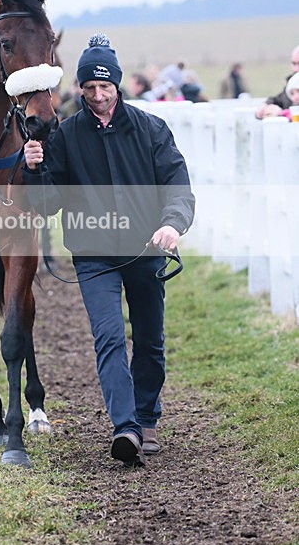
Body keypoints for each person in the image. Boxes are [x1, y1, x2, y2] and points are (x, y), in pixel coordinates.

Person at [22, 34, 195, 467]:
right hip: (94, 255)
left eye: (106, 87)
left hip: (146, 249)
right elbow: (46, 205)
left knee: (150, 340)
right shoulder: (65, 136)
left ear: (118, 85)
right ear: (79, 89)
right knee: (110, 338)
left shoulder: (151, 129)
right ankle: (127, 427)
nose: (98, 96)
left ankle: (147, 416)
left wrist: (173, 224)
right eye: (90, 88)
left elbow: (177, 186)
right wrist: (34, 169)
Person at [256, 44, 299, 119]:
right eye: (294, 63)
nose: (296, 69)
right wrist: (265, 107)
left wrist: (281, 114)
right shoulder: (291, 84)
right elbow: (279, 100)